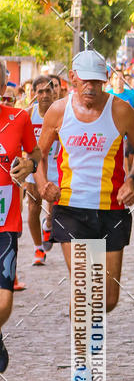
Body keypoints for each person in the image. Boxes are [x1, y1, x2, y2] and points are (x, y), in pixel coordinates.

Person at [34, 49, 134, 381]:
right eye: (85, 81)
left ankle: (85, 318)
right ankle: (83, 365)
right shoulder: (58, 111)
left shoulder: (121, 110)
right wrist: (42, 184)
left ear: (106, 80)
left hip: (112, 211)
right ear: (73, 78)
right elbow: (39, 154)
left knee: (108, 298)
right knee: (85, 286)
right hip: (70, 209)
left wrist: (133, 181)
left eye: (97, 81)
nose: (91, 88)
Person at [0, 61, 41, 372]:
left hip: (6, 222)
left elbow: (35, 153)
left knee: (4, 301)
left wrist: (30, 165)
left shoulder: (19, 118)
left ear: (3, 87)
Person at [26, 76, 59, 266]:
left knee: (53, 207)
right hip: (34, 167)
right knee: (33, 207)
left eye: (48, 90)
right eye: (40, 91)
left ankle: (49, 224)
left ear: (54, 92)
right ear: (34, 94)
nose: (45, 95)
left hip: (56, 166)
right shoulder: (29, 114)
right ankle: (38, 248)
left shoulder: (61, 112)